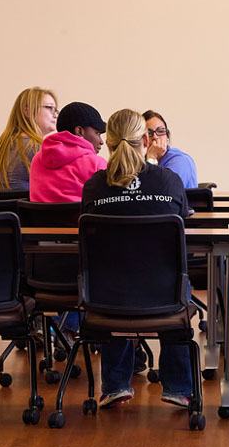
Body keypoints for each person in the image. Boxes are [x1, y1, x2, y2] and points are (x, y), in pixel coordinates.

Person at [80, 109, 195, 409]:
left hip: (107, 296)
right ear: (145, 140)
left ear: (108, 144)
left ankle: (116, 385)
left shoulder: (94, 187)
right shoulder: (169, 182)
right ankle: (178, 386)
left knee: (119, 272)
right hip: (163, 294)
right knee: (171, 281)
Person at [0, 87, 58, 192]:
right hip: (22, 208)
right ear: (27, 111)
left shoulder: (1, 146)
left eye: (56, 110)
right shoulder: (38, 148)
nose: (55, 115)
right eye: (49, 107)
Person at [29, 101, 106, 202]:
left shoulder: (37, 160)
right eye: (97, 133)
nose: (101, 142)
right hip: (79, 218)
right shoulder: (97, 164)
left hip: (38, 218)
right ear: (79, 131)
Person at [142, 110, 198, 190]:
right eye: (149, 133)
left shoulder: (180, 160)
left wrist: (152, 158)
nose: (155, 137)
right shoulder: (138, 161)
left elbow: (160, 193)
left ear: (167, 137)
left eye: (161, 131)